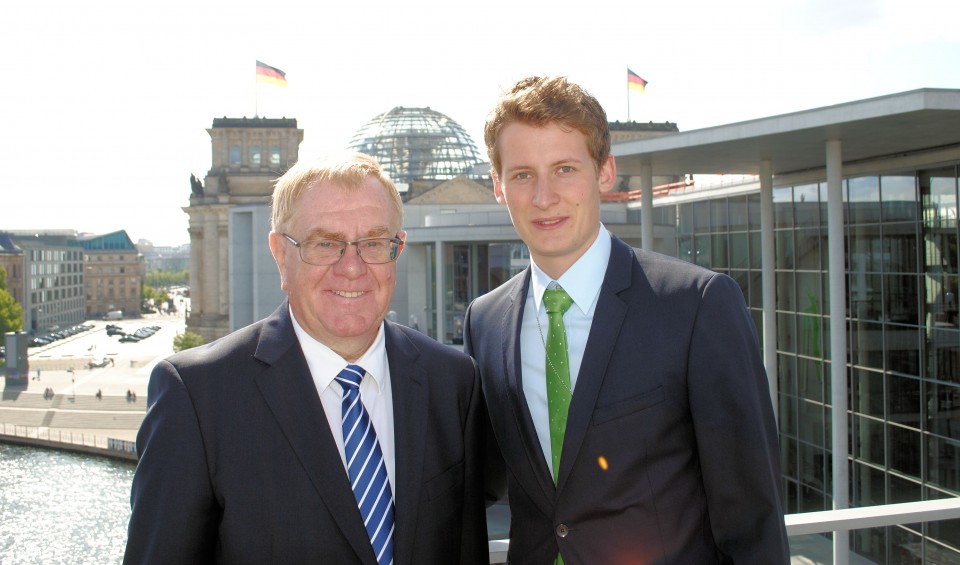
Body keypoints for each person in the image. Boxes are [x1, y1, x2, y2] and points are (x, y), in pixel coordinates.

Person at [463, 76, 789, 563]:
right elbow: (475, 482)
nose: (544, 196)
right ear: (498, 185)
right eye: (523, 174)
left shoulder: (697, 306)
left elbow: (752, 518)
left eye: (565, 169)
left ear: (605, 172)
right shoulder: (485, 322)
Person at [125, 152, 489, 564]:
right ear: (281, 255)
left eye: (372, 243)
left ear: (397, 250)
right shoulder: (197, 396)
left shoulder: (453, 382)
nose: (351, 268)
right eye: (325, 244)